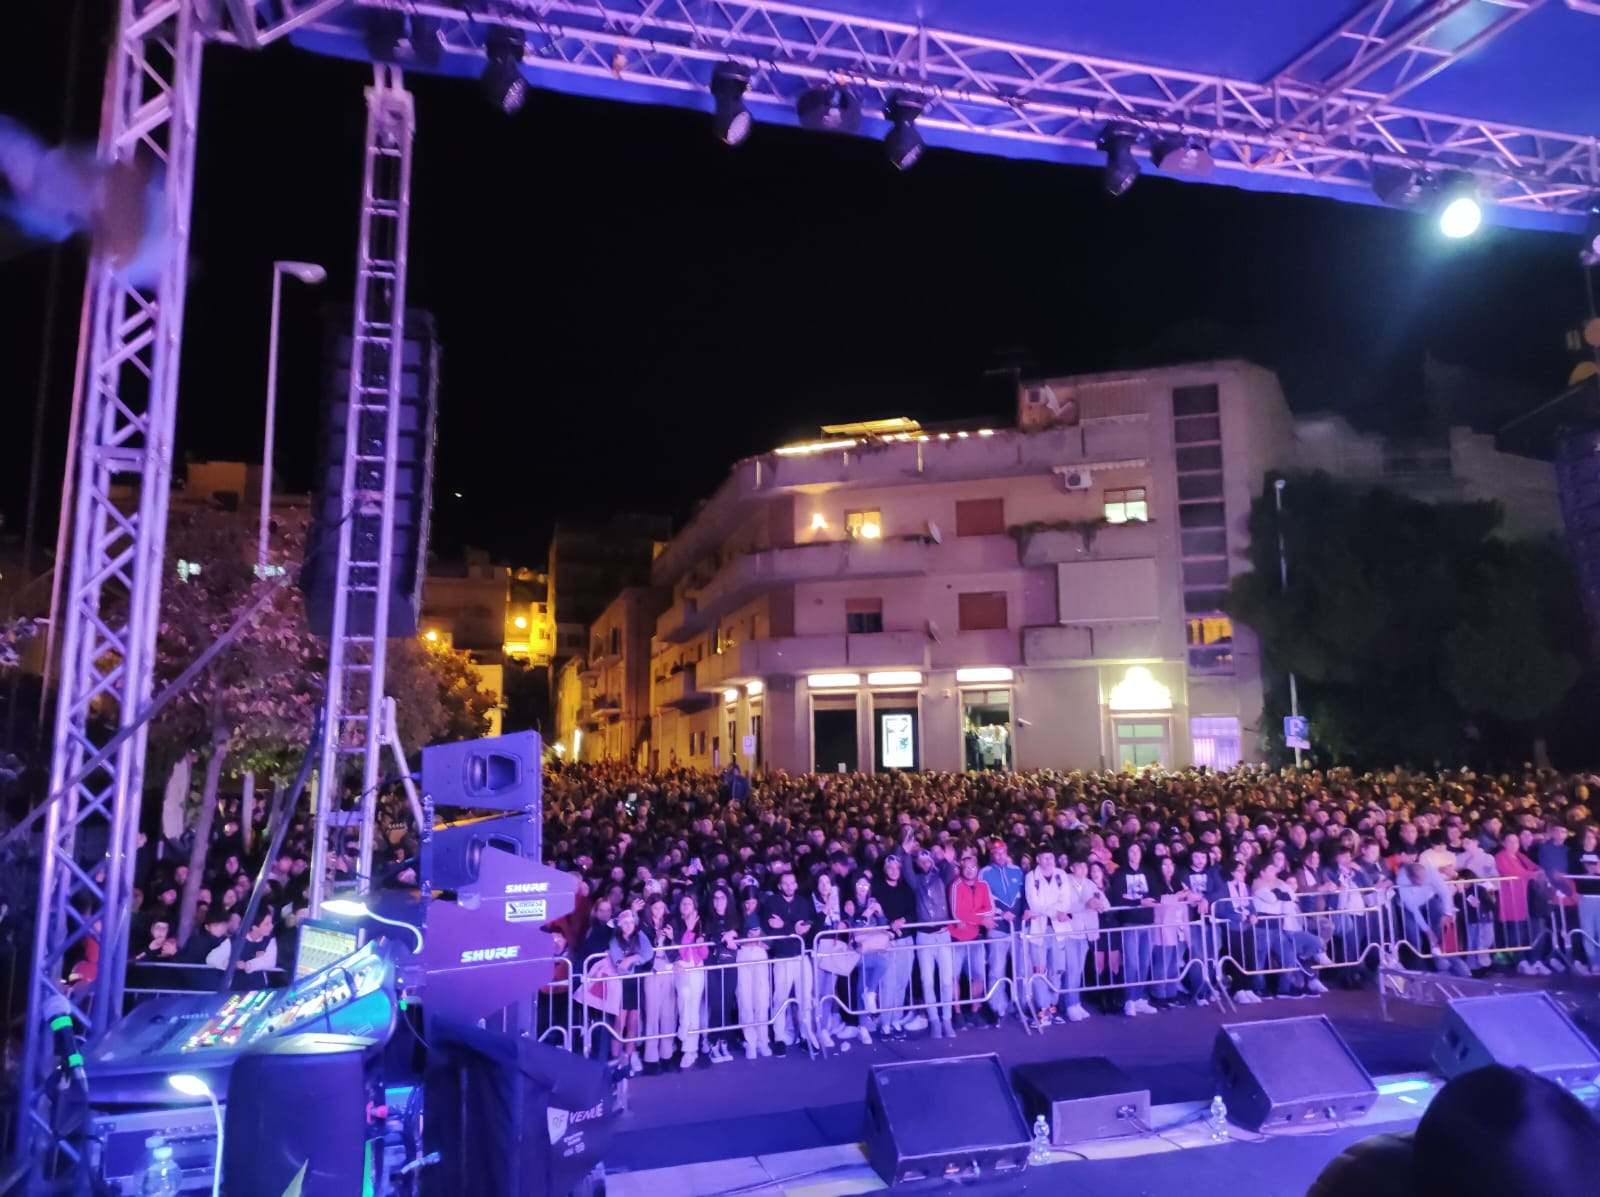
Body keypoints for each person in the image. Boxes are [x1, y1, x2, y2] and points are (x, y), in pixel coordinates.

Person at [947, 849, 995, 1028]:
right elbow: (957, 912)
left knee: (979, 975)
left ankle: (975, 1011)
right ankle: (957, 1013)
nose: (969, 870)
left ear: (977, 868)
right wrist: (981, 919)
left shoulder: (983, 886)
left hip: (976, 937)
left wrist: (970, 918)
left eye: (972, 867)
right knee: (954, 977)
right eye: (966, 867)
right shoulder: (955, 885)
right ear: (961, 869)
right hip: (957, 938)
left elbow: (990, 909)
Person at [980, 838, 1024, 1020]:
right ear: (992, 855)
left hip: (1019, 927)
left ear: (1007, 853)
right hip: (998, 926)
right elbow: (983, 899)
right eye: (996, 853)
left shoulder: (1017, 870)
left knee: (1021, 968)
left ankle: (1021, 1003)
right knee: (997, 969)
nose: (999, 856)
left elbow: (1024, 895)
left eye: (1002, 853)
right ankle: (997, 1005)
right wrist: (999, 912)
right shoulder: (984, 873)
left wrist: (1023, 912)